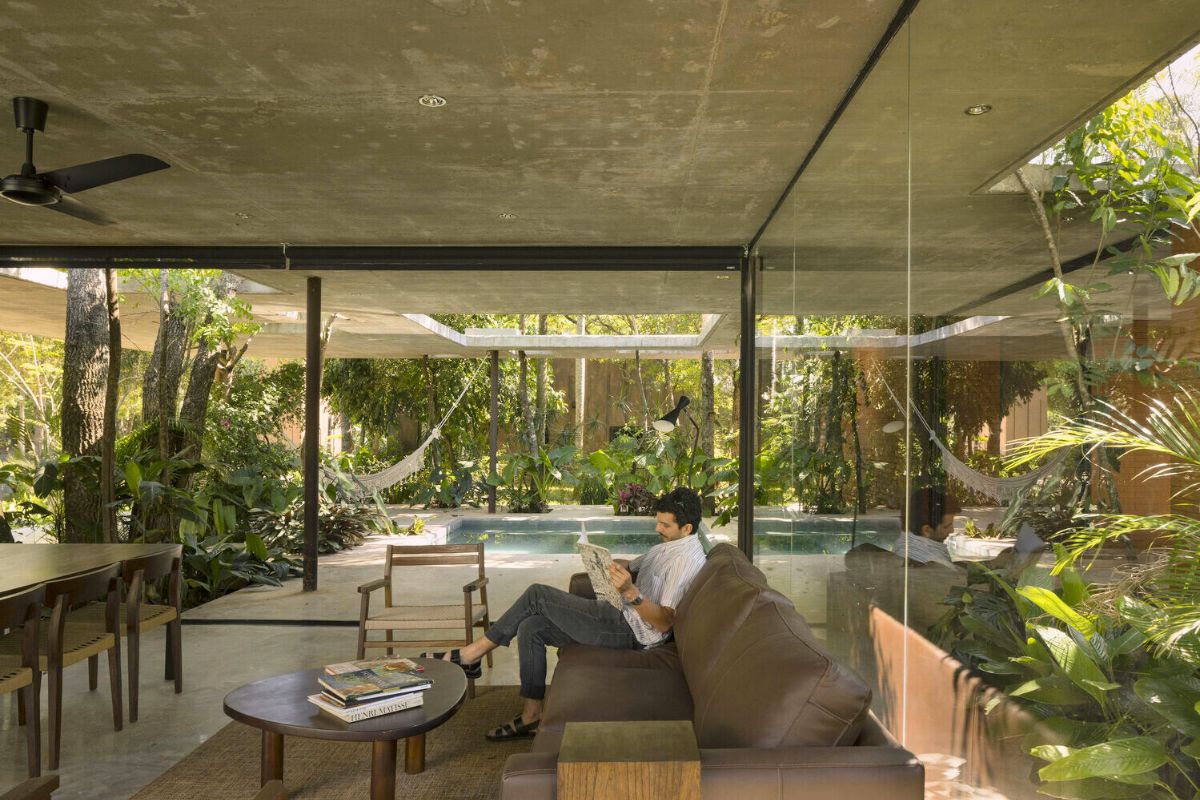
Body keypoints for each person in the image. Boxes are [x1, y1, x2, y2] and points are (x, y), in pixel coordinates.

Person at [424, 486, 707, 741]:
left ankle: (470, 656)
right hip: (619, 615)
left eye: (665, 525)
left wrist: (631, 592)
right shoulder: (669, 547)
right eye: (657, 521)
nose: (657, 528)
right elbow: (633, 565)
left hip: (631, 631)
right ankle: (531, 715)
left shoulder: (684, 560)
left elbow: (665, 621)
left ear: (687, 528)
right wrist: (602, 560)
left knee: (537, 594)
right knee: (532, 626)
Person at [891, 487, 961, 568]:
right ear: (926, 530)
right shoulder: (919, 555)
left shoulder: (906, 544)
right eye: (946, 527)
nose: (952, 530)